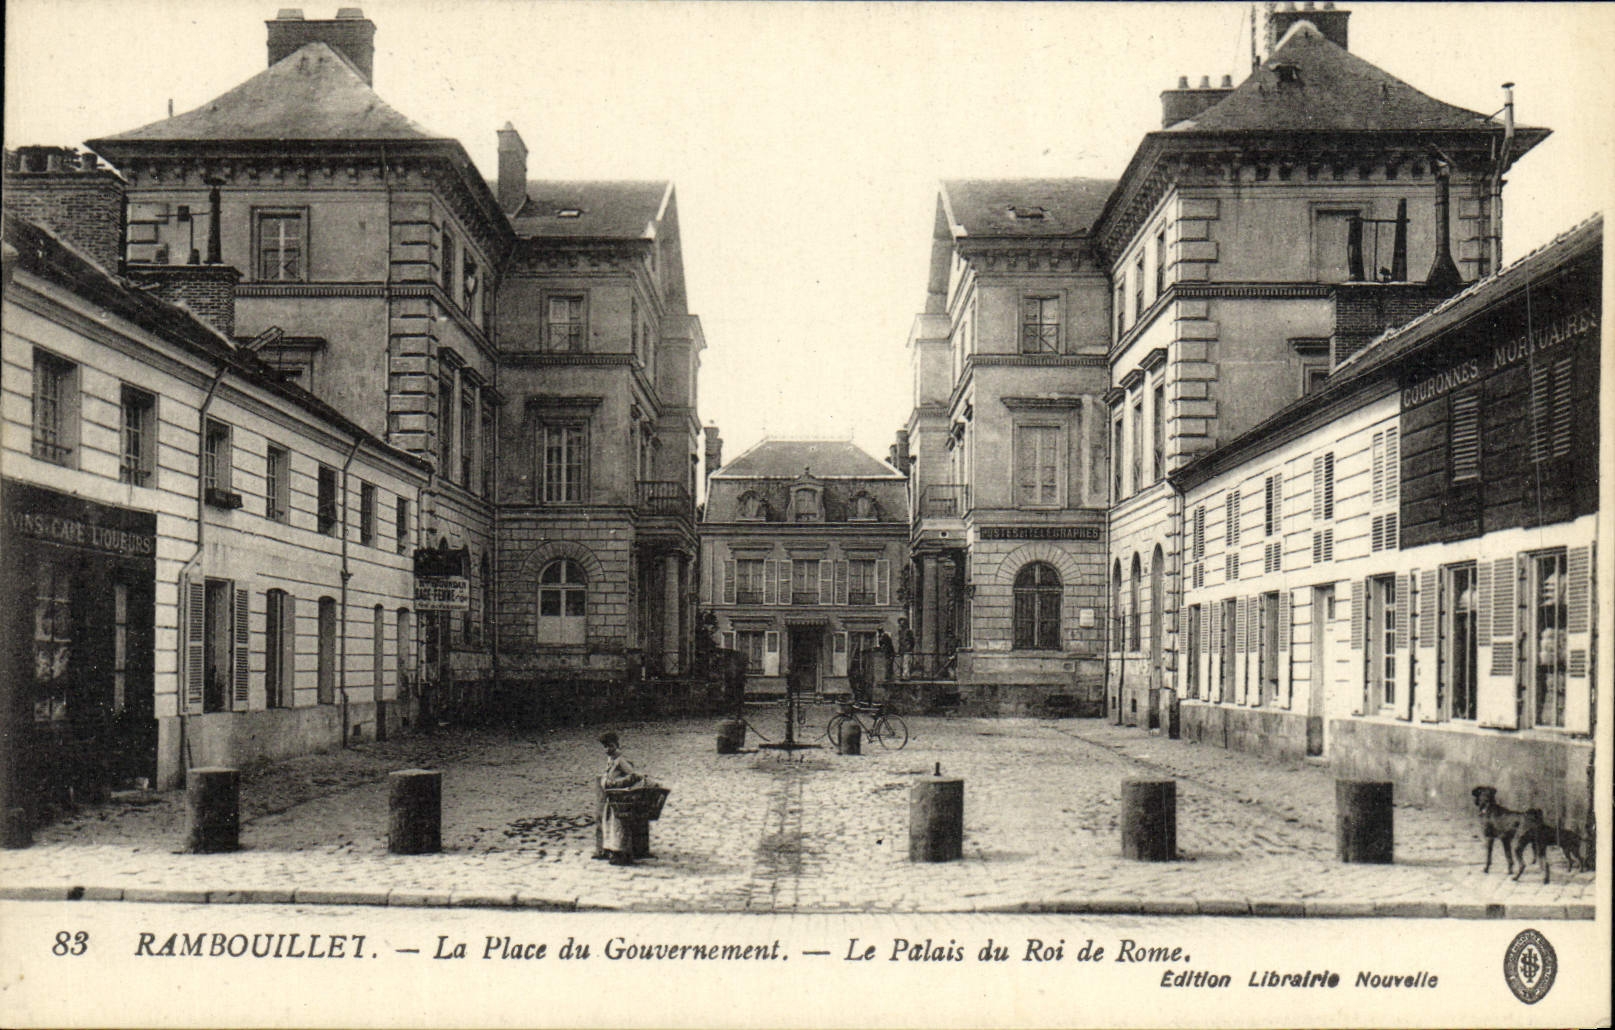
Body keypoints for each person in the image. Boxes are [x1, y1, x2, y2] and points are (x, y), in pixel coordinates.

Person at [594, 731, 644, 865]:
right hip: (611, 799)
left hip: (620, 798)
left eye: (610, 746)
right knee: (609, 824)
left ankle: (621, 853)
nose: (607, 750)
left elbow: (634, 776)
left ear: (616, 745)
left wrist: (618, 783)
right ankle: (611, 851)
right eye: (605, 747)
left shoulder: (621, 761)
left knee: (618, 826)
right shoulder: (611, 760)